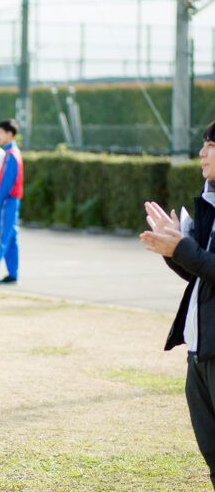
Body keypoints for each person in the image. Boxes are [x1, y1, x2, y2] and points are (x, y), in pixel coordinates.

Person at [140, 121, 215, 488]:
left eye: (210, 145)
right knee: (211, 452)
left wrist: (183, 248)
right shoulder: (210, 202)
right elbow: (201, 275)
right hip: (200, 351)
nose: (202, 153)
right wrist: (174, 249)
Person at [0, 118, 23, 284]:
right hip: (13, 201)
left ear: (10, 134)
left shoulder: (10, 155)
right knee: (11, 237)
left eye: (1, 133)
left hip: (7, 202)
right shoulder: (14, 152)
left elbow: (6, 184)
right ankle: (13, 273)